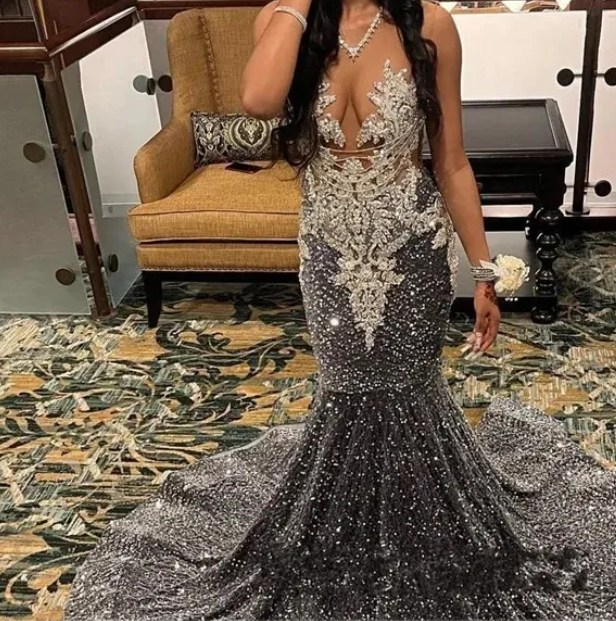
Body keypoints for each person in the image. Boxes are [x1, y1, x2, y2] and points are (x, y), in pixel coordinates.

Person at [65, 1, 616, 619]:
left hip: (411, 250)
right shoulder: (284, 21)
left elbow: (452, 161)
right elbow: (258, 101)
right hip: (330, 252)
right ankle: (337, 540)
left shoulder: (429, 24)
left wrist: (484, 271)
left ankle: (431, 542)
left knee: (408, 393)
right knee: (345, 391)